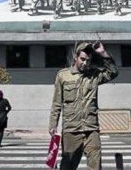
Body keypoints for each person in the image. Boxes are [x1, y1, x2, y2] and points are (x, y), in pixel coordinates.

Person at [49, 41, 118, 170]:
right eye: (82, 59)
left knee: (95, 166)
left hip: (91, 129)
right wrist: (53, 125)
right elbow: (57, 103)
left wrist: (103, 53)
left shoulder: (94, 75)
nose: (85, 63)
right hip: (71, 130)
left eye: (88, 60)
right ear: (76, 57)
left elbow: (113, 72)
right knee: (68, 166)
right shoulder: (63, 76)